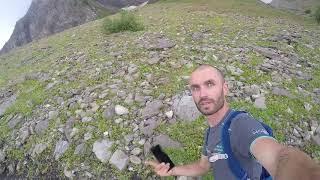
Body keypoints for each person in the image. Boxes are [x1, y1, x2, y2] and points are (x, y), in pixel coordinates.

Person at [146, 64, 320, 180]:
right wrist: (172, 170)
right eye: (195, 88)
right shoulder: (211, 132)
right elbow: (202, 166)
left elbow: (278, 156)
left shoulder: (241, 124)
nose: (203, 94)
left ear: (225, 88)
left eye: (210, 84)